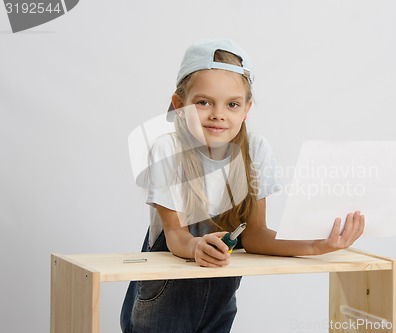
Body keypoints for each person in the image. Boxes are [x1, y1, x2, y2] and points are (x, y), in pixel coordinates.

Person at [120, 39, 365, 333]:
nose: (218, 114)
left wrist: (317, 244)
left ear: (246, 108)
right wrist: (197, 245)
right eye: (203, 102)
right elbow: (174, 235)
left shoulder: (255, 150)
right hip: (164, 297)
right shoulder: (167, 150)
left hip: (219, 298)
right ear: (179, 105)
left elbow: (255, 235)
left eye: (232, 104)